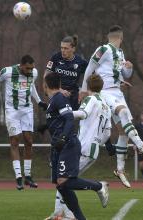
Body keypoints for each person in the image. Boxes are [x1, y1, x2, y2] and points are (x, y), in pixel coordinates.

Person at [80, 25, 143, 188]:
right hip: (105, 92)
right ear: (119, 38)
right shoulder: (103, 49)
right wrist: (83, 91)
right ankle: (141, 145)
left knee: (123, 130)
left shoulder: (120, 53)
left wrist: (129, 68)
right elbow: (89, 68)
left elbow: (123, 74)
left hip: (117, 93)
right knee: (122, 113)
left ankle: (120, 169)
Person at [44, 72, 109, 220]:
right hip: (73, 147)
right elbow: (107, 132)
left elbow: (75, 116)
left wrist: (64, 130)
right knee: (62, 184)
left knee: (64, 181)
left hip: (74, 145)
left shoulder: (80, 99)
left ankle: (98, 186)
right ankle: (68, 215)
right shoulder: (105, 105)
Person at [0, 55, 47, 190]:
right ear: (21, 65)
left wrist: (38, 101)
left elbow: (31, 86)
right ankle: (18, 177)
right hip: (12, 111)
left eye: (32, 68)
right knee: (15, 140)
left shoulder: (34, 73)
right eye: (27, 68)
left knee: (28, 140)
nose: (30, 71)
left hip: (27, 109)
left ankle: (28, 176)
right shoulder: (7, 72)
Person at [45, 35, 88, 110]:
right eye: (61, 48)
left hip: (73, 97)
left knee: (71, 119)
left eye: (66, 48)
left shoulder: (80, 62)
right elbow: (46, 76)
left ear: (73, 49)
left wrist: (84, 90)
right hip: (57, 94)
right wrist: (59, 90)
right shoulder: (56, 58)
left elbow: (90, 75)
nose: (63, 50)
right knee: (57, 120)